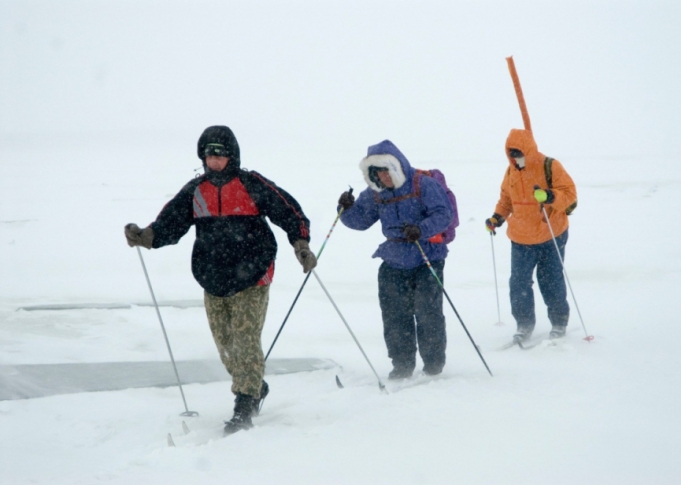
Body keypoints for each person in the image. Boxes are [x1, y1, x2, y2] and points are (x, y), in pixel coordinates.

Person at [124, 125, 317, 434]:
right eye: (208, 155)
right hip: (212, 275)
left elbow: (290, 213)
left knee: (245, 341)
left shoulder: (252, 184)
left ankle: (244, 405)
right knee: (226, 347)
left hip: (253, 273)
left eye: (219, 155)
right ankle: (254, 385)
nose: (213, 161)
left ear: (232, 156)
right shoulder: (196, 191)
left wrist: (301, 245)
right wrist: (146, 237)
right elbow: (169, 224)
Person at [337, 140, 454, 379]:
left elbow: (444, 215)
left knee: (427, 312)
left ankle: (433, 364)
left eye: (385, 170)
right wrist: (345, 209)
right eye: (376, 172)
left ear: (396, 166)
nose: (382, 176)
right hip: (392, 260)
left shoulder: (424, 185)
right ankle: (402, 365)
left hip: (426, 258)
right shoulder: (375, 193)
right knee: (394, 316)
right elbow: (360, 221)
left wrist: (421, 229)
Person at [485, 128, 577, 344]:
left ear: (528, 150)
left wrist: (550, 196)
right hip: (521, 238)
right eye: (511, 154)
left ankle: (559, 322)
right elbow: (506, 199)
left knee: (551, 280)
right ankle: (524, 324)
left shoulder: (550, 166)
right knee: (518, 283)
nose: (515, 158)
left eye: (518, 153)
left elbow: (570, 196)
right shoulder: (510, 172)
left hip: (550, 234)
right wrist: (497, 218)